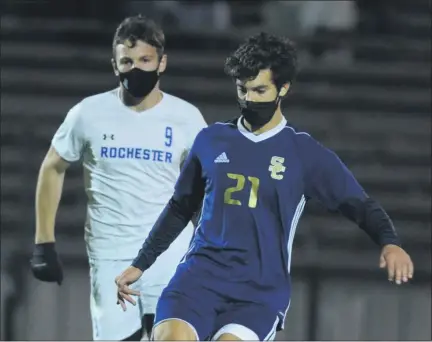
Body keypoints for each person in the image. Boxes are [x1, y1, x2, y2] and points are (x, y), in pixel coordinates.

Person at [115, 32, 414, 341]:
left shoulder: (304, 153)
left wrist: (389, 241)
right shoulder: (211, 140)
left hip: (257, 294)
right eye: (242, 89)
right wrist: (141, 263)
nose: (249, 99)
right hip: (198, 282)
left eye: (260, 90)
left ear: (283, 88)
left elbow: (358, 203)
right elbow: (180, 207)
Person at [30, 15, 207, 341]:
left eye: (144, 60)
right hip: (111, 258)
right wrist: (44, 243)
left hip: (170, 255)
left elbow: (209, 185)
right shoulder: (89, 113)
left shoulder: (188, 119)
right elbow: (53, 167)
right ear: (114, 65)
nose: (135, 69)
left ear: (161, 62)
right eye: (127, 61)